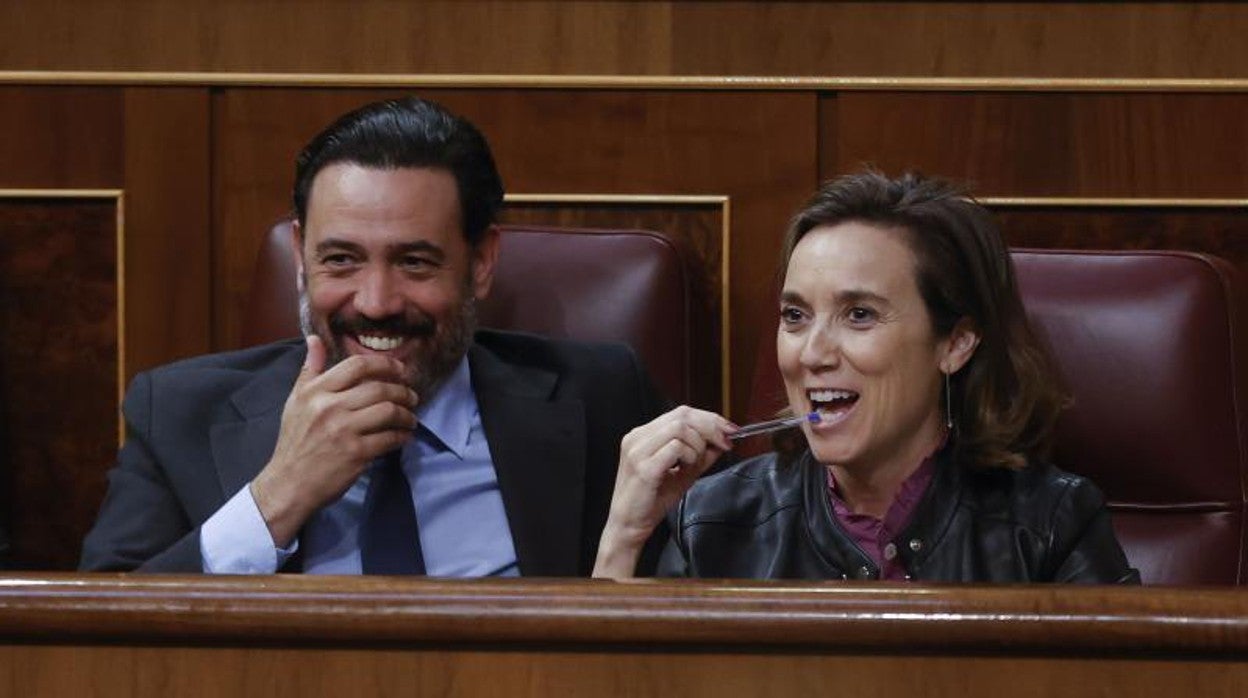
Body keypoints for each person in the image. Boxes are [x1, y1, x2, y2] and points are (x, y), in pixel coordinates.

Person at [80, 97, 665, 576]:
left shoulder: (602, 397)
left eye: (414, 262)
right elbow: (94, 635)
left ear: (482, 261)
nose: (376, 303)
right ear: (301, 258)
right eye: (341, 260)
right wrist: (277, 498)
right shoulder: (180, 412)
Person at [594, 171, 1139, 583]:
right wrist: (623, 538)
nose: (812, 353)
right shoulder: (712, 520)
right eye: (795, 316)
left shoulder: (1053, 526)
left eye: (859, 315)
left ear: (955, 343)